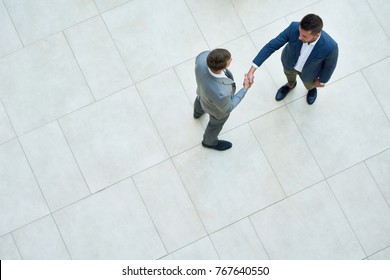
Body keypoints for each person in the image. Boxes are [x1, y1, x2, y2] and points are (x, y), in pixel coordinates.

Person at [247, 14, 338, 105]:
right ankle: (290, 85)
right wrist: (252, 70)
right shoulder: (293, 27)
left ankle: (311, 89)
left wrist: (322, 81)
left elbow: (329, 67)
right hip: (289, 63)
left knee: (310, 85)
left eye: (304, 36)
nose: (300, 37)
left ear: (316, 35)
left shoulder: (331, 47)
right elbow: (271, 46)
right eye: (300, 33)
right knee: (289, 77)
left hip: (310, 73)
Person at [194, 48, 252, 151]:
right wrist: (245, 88)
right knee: (215, 125)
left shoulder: (202, 57)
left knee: (200, 101)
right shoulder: (221, 93)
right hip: (215, 110)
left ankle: (197, 113)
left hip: (202, 93)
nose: (231, 59)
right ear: (224, 66)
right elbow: (227, 108)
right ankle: (209, 142)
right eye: (230, 60)